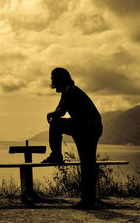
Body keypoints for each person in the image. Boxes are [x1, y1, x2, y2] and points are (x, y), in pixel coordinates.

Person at [41, 67, 103, 208]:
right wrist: (54, 114)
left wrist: (50, 115)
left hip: (86, 127)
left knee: (56, 124)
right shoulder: (68, 92)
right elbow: (59, 110)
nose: (54, 86)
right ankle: (88, 200)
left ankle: (56, 155)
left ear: (61, 81)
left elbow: (60, 112)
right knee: (87, 163)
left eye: (55, 82)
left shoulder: (71, 91)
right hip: (89, 127)